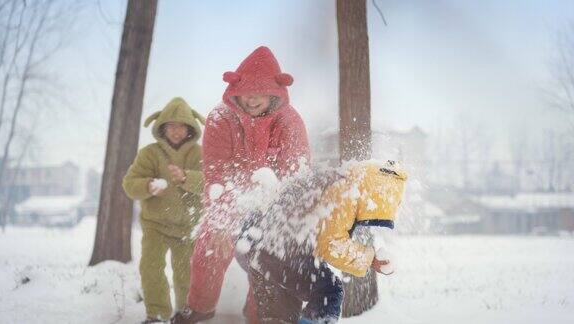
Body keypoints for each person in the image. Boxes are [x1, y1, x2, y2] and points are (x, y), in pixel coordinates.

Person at [175, 46, 311, 324]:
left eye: (259, 92)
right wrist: (223, 219)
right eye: (247, 92)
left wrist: (280, 217)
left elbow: (296, 175)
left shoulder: (290, 122)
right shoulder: (219, 119)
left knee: (271, 251)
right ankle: (201, 307)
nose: (251, 99)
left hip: (272, 202)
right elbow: (216, 174)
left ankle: (259, 313)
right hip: (230, 197)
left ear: (275, 91)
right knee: (210, 243)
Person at [235, 161, 408, 323]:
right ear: (381, 194)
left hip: (260, 248)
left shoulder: (341, 179)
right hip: (279, 251)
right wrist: (370, 259)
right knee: (329, 292)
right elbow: (331, 245)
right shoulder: (346, 191)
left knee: (281, 317)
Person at [122, 97, 205, 323]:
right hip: (155, 224)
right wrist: (147, 186)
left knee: (186, 273)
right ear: (162, 127)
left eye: (181, 126)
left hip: (188, 226)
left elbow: (211, 183)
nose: (176, 131)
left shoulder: (199, 154)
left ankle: (185, 312)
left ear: (190, 128)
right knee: (150, 269)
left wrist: (187, 177)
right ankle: (157, 314)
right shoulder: (150, 153)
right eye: (171, 126)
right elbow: (130, 183)